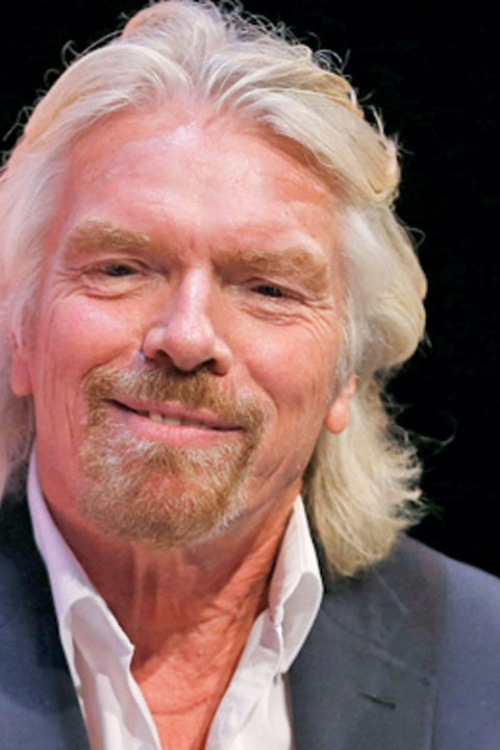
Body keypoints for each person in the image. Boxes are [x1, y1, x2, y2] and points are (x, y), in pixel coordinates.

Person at [0, 1, 498, 748]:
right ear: (19, 330)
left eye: (268, 288)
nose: (187, 337)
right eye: (121, 268)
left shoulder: (485, 665)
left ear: (347, 372)